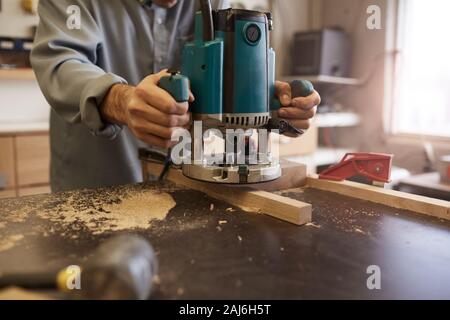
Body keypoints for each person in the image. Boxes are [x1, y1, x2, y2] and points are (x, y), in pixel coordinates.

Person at [31, 0, 321, 192]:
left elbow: (222, 65)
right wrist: (120, 99)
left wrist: (261, 95)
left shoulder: (216, 3)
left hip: (181, 182)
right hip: (94, 182)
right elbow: (60, 63)